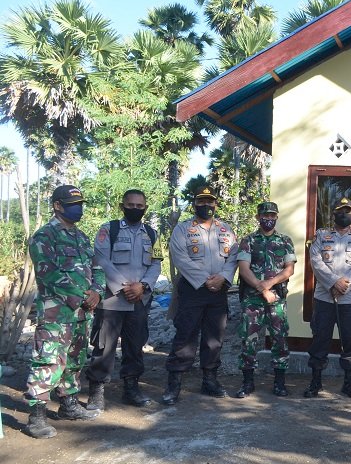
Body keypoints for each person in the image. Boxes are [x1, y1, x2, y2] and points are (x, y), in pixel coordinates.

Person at [23, 185, 105, 439]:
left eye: (80, 203)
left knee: (74, 360)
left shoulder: (81, 237)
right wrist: (82, 296)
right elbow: (49, 273)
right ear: (58, 205)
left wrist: (96, 291)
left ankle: (68, 405)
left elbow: (97, 267)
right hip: (56, 315)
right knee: (47, 361)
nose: (78, 207)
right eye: (73, 203)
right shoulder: (44, 236)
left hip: (82, 314)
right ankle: (36, 416)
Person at [84, 189, 162, 411]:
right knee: (104, 346)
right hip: (112, 299)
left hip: (139, 300)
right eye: (131, 205)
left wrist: (143, 286)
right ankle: (96, 391)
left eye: (140, 206)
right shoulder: (109, 230)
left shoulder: (153, 234)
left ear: (145, 208)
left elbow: (156, 264)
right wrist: (124, 288)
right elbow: (101, 260)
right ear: (122, 206)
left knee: (135, 346)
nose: (135, 209)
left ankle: (131, 388)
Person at [161, 186, 238, 405]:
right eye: (201, 202)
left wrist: (222, 277)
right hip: (193, 290)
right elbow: (180, 257)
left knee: (215, 337)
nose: (206, 206)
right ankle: (174, 383)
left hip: (218, 291)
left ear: (216, 204)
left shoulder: (226, 229)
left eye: (210, 202)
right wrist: (206, 279)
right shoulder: (183, 229)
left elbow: (233, 256)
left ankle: (210, 380)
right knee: (185, 335)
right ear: (194, 204)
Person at [304, 197, 351, 398]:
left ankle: (349, 383)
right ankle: (315, 382)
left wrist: (344, 285)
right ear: (334, 215)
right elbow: (315, 262)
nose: (345, 215)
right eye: (341, 211)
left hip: (350, 299)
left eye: (348, 211)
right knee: (320, 339)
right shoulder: (320, 236)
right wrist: (333, 282)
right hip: (324, 298)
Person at [235, 201, 296, 397]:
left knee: (280, 339)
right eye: (265, 215)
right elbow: (244, 269)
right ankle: (247, 383)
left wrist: (269, 284)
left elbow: (289, 269)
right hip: (252, 300)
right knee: (249, 340)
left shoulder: (285, 241)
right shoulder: (248, 240)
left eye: (272, 216)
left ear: (276, 217)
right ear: (257, 217)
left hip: (276, 299)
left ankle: (279, 383)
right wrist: (262, 289)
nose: (268, 219)